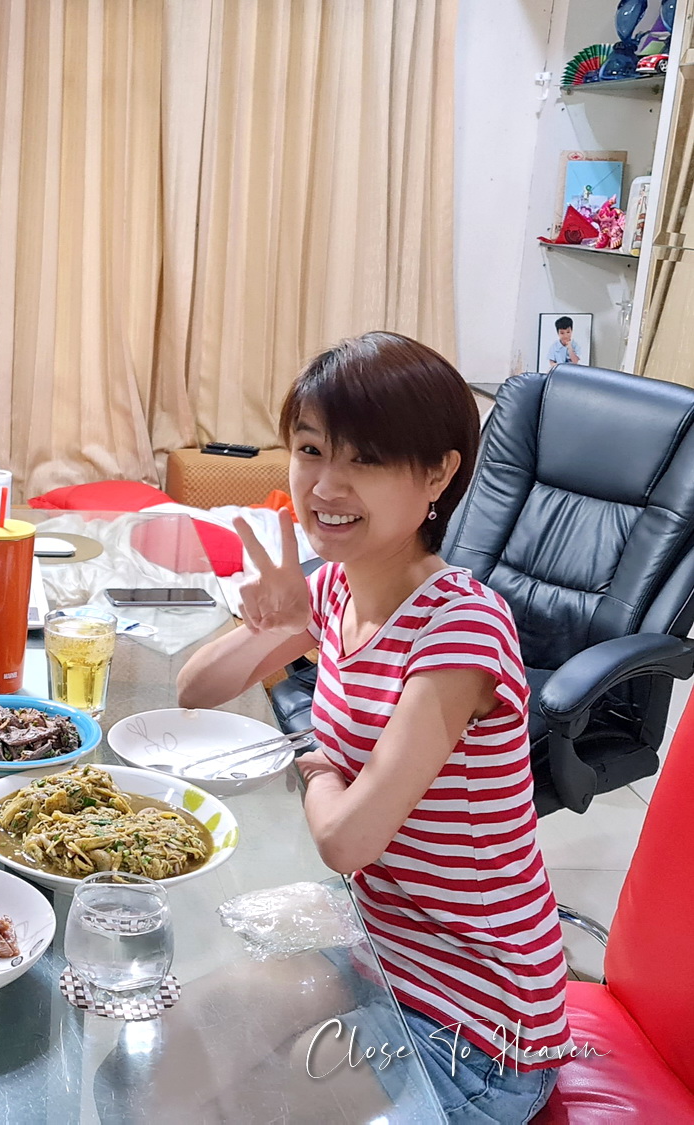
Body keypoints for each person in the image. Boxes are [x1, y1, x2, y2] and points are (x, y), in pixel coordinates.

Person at [177, 332, 571, 1124]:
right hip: (378, 948)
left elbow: (349, 841)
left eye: (365, 458)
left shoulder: (463, 627)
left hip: (481, 1022)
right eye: (312, 448)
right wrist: (270, 622)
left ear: (438, 474)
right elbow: (196, 688)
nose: (326, 483)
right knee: (165, 1048)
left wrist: (317, 766)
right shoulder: (335, 591)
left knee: (244, 1102)